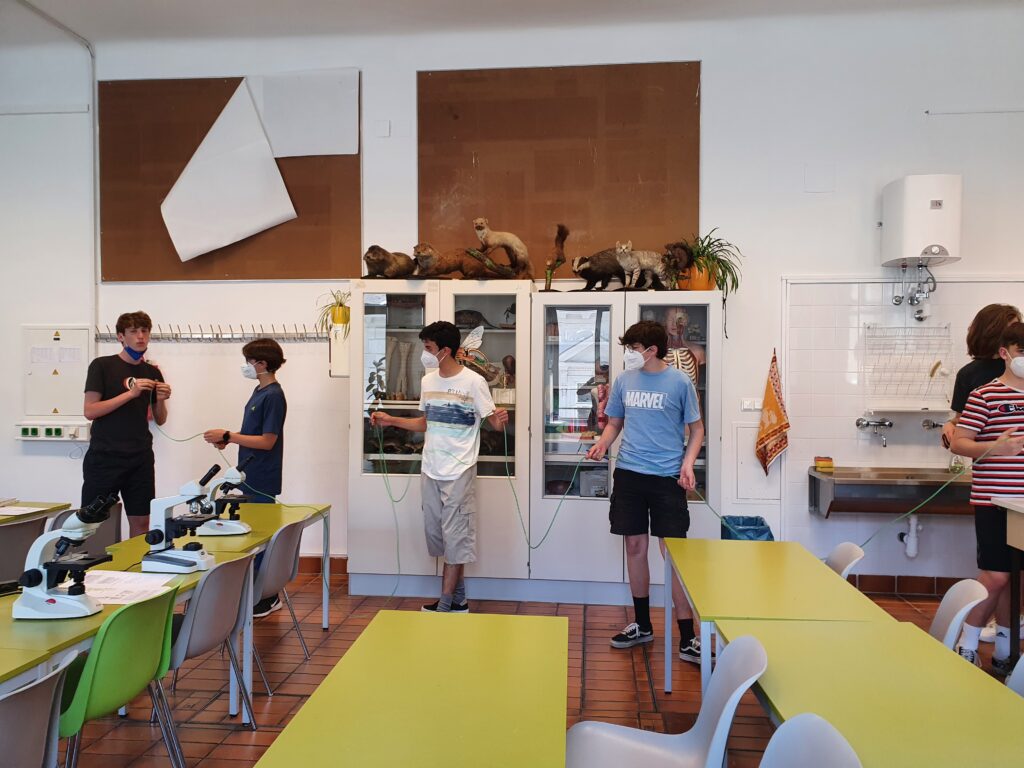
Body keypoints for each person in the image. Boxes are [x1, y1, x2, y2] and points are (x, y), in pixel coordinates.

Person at [586, 320, 706, 663]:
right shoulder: (624, 381)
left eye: (634, 348)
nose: (629, 353)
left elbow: (697, 430)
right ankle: (642, 625)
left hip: (667, 478)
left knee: (673, 554)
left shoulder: (680, 382)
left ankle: (688, 637)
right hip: (629, 475)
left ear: (652, 350)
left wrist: (687, 464)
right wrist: (603, 444)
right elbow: (615, 422)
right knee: (635, 547)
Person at [370, 321, 508, 613]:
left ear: (445, 350)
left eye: (429, 347)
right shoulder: (428, 382)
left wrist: (500, 420)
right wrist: (391, 420)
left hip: (460, 469)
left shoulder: (474, 382)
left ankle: (444, 604)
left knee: (456, 536)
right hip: (431, 467)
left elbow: (493, 422)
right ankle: (459, 600)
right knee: (438, 535)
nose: (425, 353)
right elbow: (426, 422)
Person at [951, 321, 1024, 675]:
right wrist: (995, 447)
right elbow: (959, 442)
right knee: (996, 576)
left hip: (1023, 507)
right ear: (1004, 353)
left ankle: (1006, 653)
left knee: (1017, 578)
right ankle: (966, 644)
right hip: (994, 501)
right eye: (1022, 352)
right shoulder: (985, 395)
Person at [204, 338, 288, 617]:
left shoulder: (274, 395)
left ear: (261, 363)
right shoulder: (259, 391)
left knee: (261, 538)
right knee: (251, 535)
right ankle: (253, 593)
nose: (246, 366)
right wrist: (229, 439)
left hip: (263, 476)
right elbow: (253, 434)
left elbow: (267, 441)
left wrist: (229, 435)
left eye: (249, 361)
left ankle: (266, 596)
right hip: (249, 474)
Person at [82, 311, 170, 539]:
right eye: (133, 331)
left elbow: (160, 419)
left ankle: (136, 561)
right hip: (105, 457)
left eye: (144, 331)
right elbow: (90, 411)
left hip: (140, 457)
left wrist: (161, 399)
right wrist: (130, 394)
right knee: (94, 522)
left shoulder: (152, 372)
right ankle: (95, 562)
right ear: (121, 336)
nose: (140, 336)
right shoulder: (102, 366)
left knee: (142, 521)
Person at [942, 304, 1022, 449]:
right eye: (1010, 330)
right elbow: (963, 419)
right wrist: (950, 425)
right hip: (990, 457)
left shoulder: (1019, 369)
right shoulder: (969, 375)